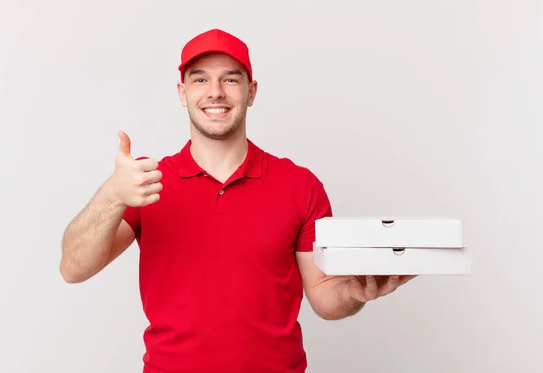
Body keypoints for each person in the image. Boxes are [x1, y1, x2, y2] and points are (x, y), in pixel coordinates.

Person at [60, 28, 416, 373]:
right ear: (182, 92)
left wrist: (354, 292)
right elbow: (73, 269)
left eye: (230, 79)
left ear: (251, 92)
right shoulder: (145, 183)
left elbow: (323, 293)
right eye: (200, 80)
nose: (215, 92)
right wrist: (112, 195)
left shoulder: (300, 185)